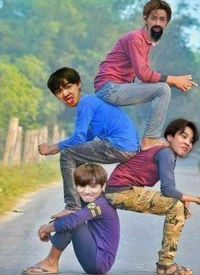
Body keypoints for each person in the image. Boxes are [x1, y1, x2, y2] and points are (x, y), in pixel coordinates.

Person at [104, 118, 200, 275]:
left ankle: (165, 263)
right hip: (121, 191)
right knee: (176, 206)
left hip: (121, 190)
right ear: (170, 137)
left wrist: (182, 199)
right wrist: (199, 199)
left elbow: (169, 191)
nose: (188, 143)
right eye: (183, 136)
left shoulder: (166, 152)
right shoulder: (166, 152)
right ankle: (166, 264)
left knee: (178, 206)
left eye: (191, 140)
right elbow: (168, 190)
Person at [94, 0, 198, 150]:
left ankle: (145, 138)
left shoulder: (147, 43)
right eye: (153, 18)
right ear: (145, 19)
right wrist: (174, 80)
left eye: (162, 19)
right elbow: (144, 74)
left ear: (166, 23)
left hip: (117, 87)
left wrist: (177, 83)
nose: (157, 22)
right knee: (163, 89)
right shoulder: (135, 38)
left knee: (161, 87)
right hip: (109, 88)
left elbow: (142, 77)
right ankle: (149, 138)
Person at [39, 67, 139, 214]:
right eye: (59, 92)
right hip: (125, 147)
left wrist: (53, 147)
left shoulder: (85, 104)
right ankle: (82, 204)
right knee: (76, 155)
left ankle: (72, 206)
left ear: (78, 84)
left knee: (67, 154)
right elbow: (87, 137)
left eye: (68, 87)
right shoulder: (91, 102)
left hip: (119, 145)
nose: (65, 94)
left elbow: (78, 138)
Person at [22, 164, 120, 275]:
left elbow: (73, 220)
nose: (87, 191)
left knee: (73, 222)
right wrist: (50, 227)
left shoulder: (100, 204)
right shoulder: (90, 201)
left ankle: (51, 262)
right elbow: (73, 215)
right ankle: (50, 262)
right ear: (76, 186)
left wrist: (47, 229)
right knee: (70, 218)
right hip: (96, 257)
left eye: (93, 186)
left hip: (100, 261)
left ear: (103, 186)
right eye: (82, 186)